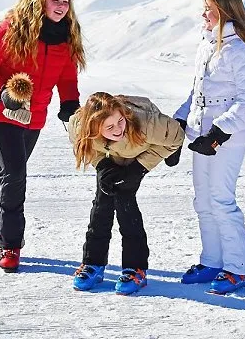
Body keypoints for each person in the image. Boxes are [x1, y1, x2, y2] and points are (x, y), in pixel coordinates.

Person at [0, 0, 86, 272]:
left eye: (65, 1)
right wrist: (4, 92)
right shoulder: (13, 28)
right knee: (15, 171)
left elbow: (67, 79)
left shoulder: (67, 37)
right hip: (1, 109)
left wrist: (69, 105)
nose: (61, 6)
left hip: (33, 116)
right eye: (55, 0)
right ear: (41, 1)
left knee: (6, 171)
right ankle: (9, 244)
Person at [171, 0, 245, 294]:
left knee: (222, 201)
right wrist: (181, 119)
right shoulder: (208, 44)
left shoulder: (239, 49)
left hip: (227, 137)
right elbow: (196, 93)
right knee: (203, 201)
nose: (203, 14)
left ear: (224, 12)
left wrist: (219, 132)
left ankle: (238, 269)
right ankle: (212, 260)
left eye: (208, 9)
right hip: (202, 134)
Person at [69, 92, 184, 294]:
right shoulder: (80, 125)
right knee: (101, 205)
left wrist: (138, 169)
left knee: (125, 202)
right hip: (110, 154)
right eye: (110, 127)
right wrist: (103, 165)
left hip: (138, 152)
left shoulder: (146, 123)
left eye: (120, 121)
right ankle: (93, 263)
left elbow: (177, 136)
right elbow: (80, 141)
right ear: (94, 127)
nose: (118, 129)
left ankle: (136, 268)